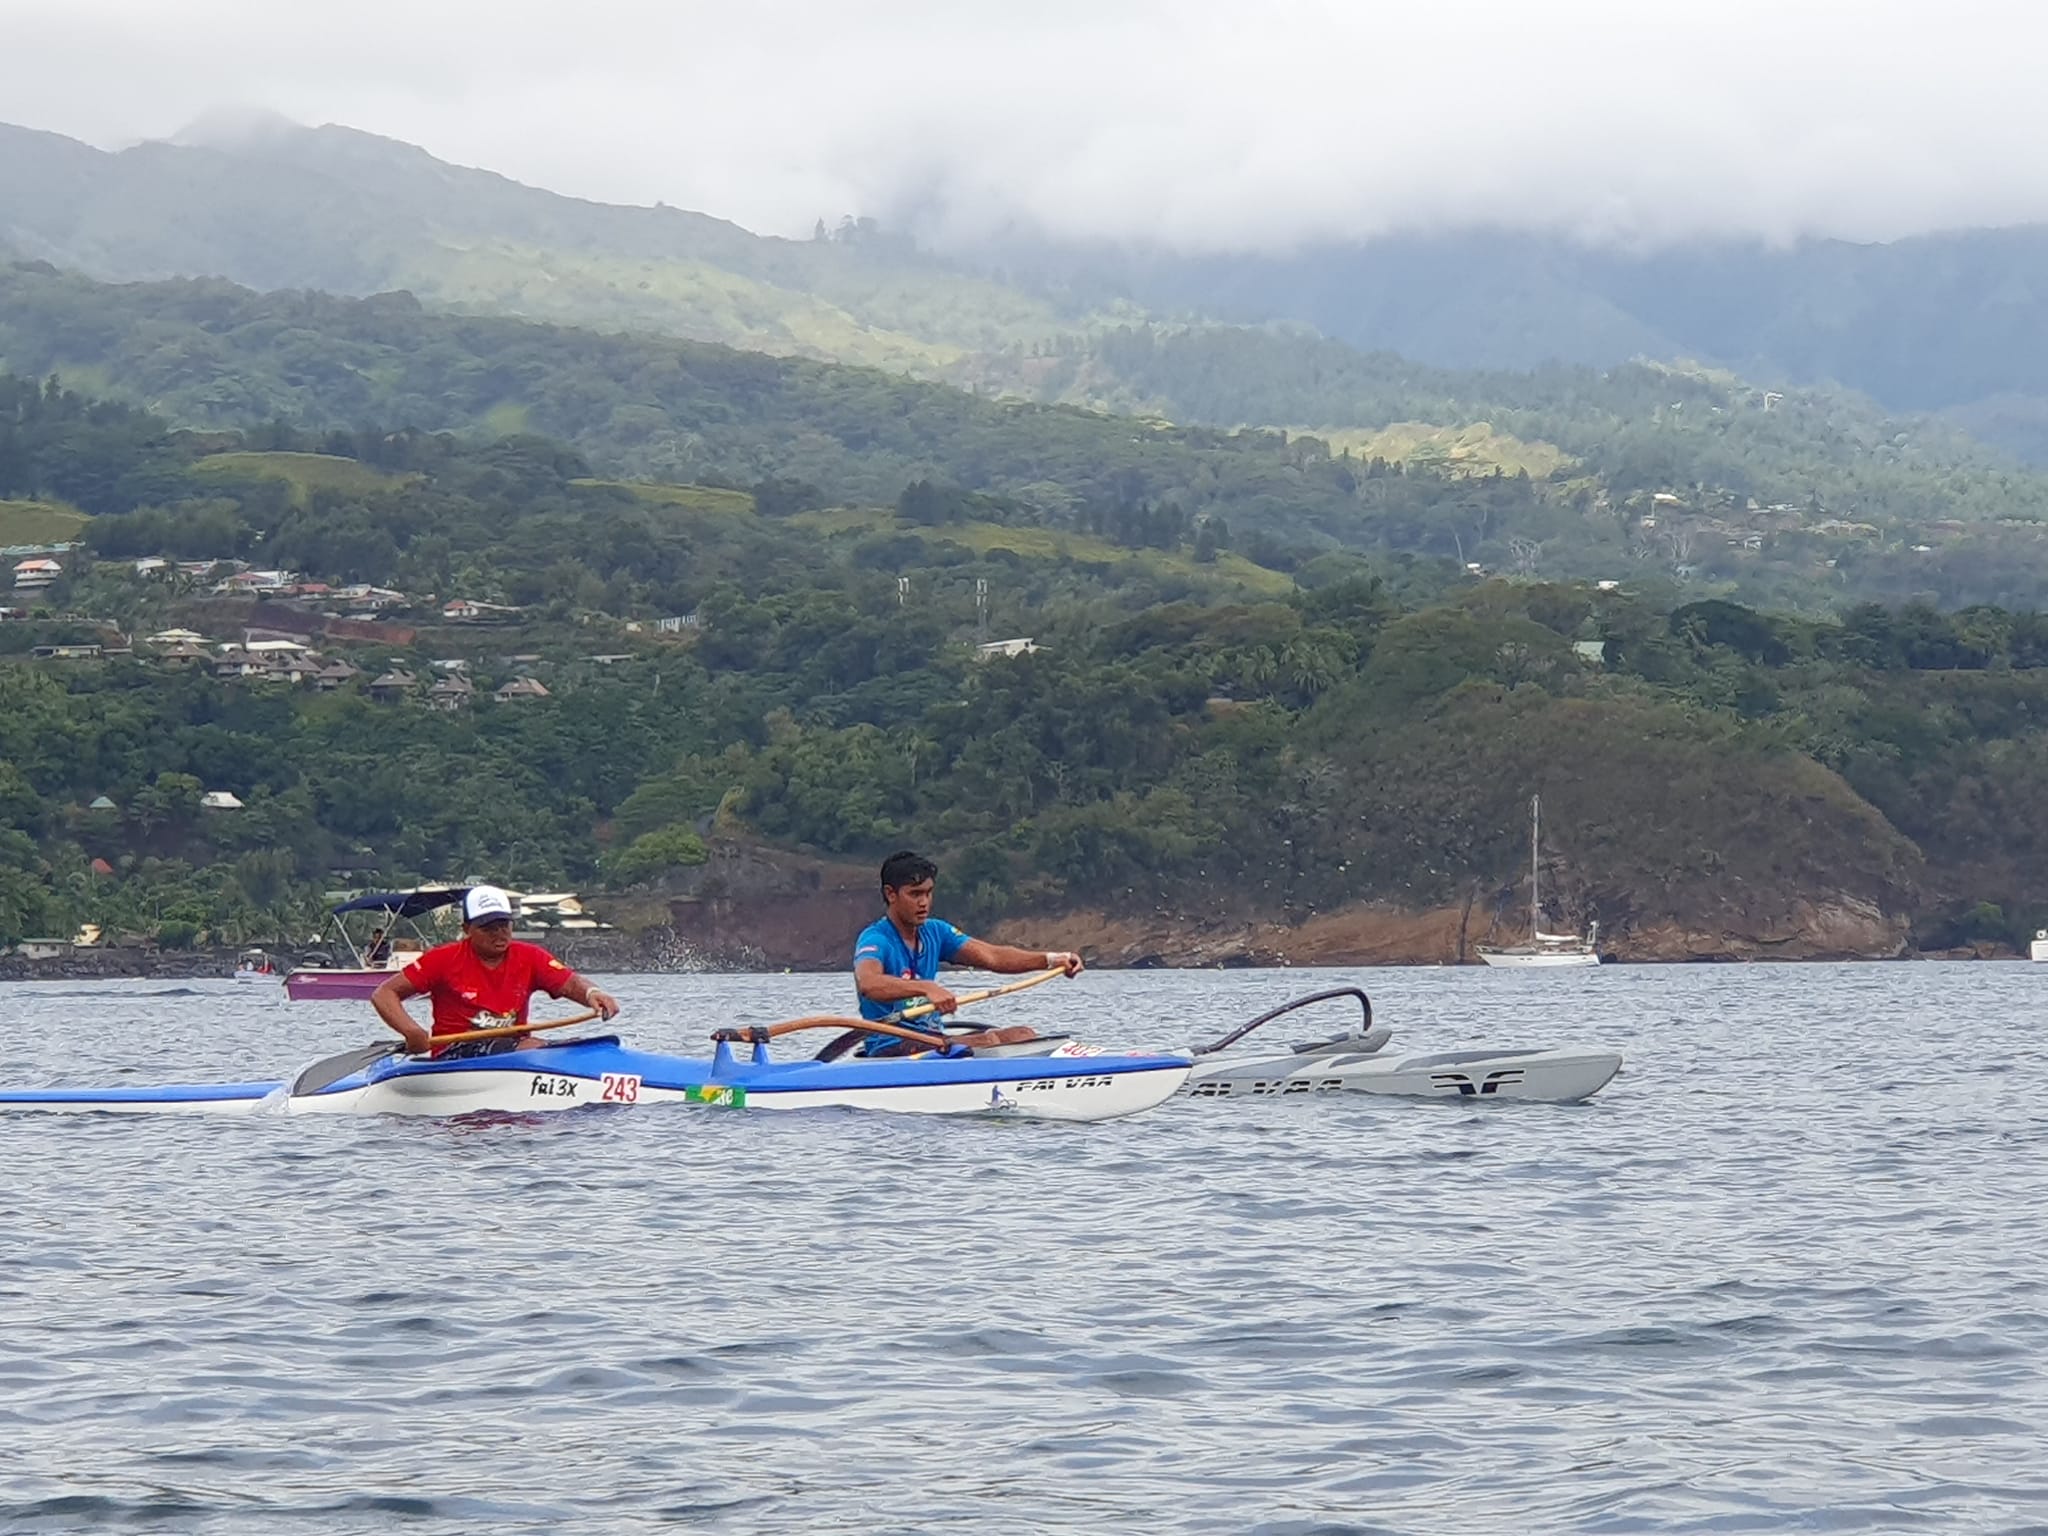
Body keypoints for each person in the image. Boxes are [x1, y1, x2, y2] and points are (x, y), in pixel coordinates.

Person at [852, 850, 1081, 1056]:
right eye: (915, 894)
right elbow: (869, 983)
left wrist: (1051, 959)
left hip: (932, 1039)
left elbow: (993, 956)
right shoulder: (876, 939)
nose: (924, 902)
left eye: (929, 893)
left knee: (1023, 1035)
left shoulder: (936, 932)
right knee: (988, 1040)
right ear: (891, 894)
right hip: (892, 1045)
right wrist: (926, 987)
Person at [370, 885, 620, 1057]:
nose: (499, 934)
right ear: (467, 928)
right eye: (488, 927)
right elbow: (384, 993)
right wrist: (412, 1031)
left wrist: (592, 994)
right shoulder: (442, 959)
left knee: (579, 1047)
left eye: (504, 925)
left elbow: (569, 983)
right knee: (533, 1048)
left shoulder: (529, 956)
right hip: (454, 1052)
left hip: (513, 1049)